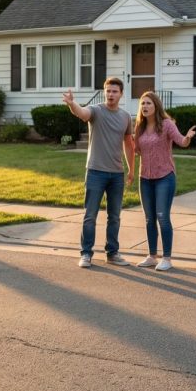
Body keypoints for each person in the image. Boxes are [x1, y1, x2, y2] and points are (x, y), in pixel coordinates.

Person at [63, 77, 135, 268]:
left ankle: (112, 253)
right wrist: (72, 104)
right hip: (96, 171)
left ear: (121, 94)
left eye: (114, 91)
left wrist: (131, 169)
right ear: (104, 92)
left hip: (116, 174)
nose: (111, 94)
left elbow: (129, 144)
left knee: (114, 217)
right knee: (90, 215)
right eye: (108, 91)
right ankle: (86, 254)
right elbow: (82, 113)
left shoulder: (125, 116)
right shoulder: (96, 111)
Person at [133, 91, 196, 271]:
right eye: (142, 103)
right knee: (149, 219)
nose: (145, 106)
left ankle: (167, 258)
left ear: (156, 106)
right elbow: (137, 150)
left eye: (148, 103)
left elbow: (181, 141)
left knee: (162, 217)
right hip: (145, 178)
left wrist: (187, 137)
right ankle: (152, 256)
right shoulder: (139, 127)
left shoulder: (167, 124)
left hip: (164, 177)